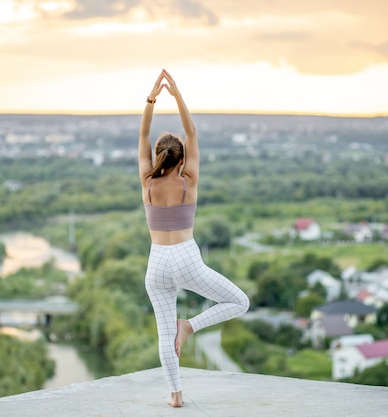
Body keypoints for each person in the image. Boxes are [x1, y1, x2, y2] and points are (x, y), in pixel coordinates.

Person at [138, 69, 250, 407]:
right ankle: (190, 326)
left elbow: (142, 133)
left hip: (156, 261)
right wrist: (178, 95)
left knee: (163, 332)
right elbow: (192, 131)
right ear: (182, 157)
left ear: (158, 156)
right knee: (239, 302)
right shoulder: (189, 179)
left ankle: (175, 396)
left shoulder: (147, 181)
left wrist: (152, 97)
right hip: (186, 258)